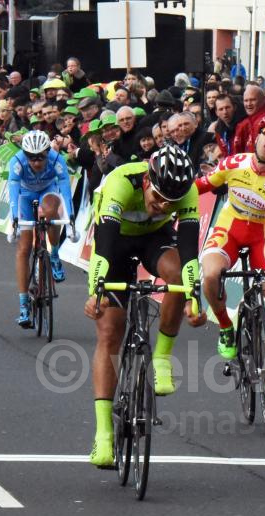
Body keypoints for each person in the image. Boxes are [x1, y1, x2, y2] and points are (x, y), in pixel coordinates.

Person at [83, 145, 206, 467]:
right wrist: (96, 291)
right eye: (159, 197)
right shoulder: (121, 182)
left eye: (171, 202)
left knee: (178, 276)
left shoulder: (187, 192)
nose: (163, 205)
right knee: (110, 332)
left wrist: (194, 299)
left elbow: (191, 253)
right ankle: (103, 435)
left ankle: (161, 357)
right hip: (115, 242)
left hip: (154, 238)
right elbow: (103, 249)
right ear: (148, 180)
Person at [196, 113, 265, 403]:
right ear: (256, 137)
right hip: (229, 228)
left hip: (263, 235)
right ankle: (225, 327)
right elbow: (203, 186)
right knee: (210, 275)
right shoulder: (235, 163)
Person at [9, 131, 75, 327]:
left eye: (41, 157)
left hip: (48, 191)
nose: (36, 162)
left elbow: (65, 191)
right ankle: (23, 305)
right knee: (24, 248)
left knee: (51, 211)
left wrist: (70, 217)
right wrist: (14, 220)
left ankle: (54, 254)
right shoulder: (17, 162)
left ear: (48, 152)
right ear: (24, 154)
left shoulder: (57, 160)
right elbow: (13, 192)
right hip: (24, 196)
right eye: (31, 157)